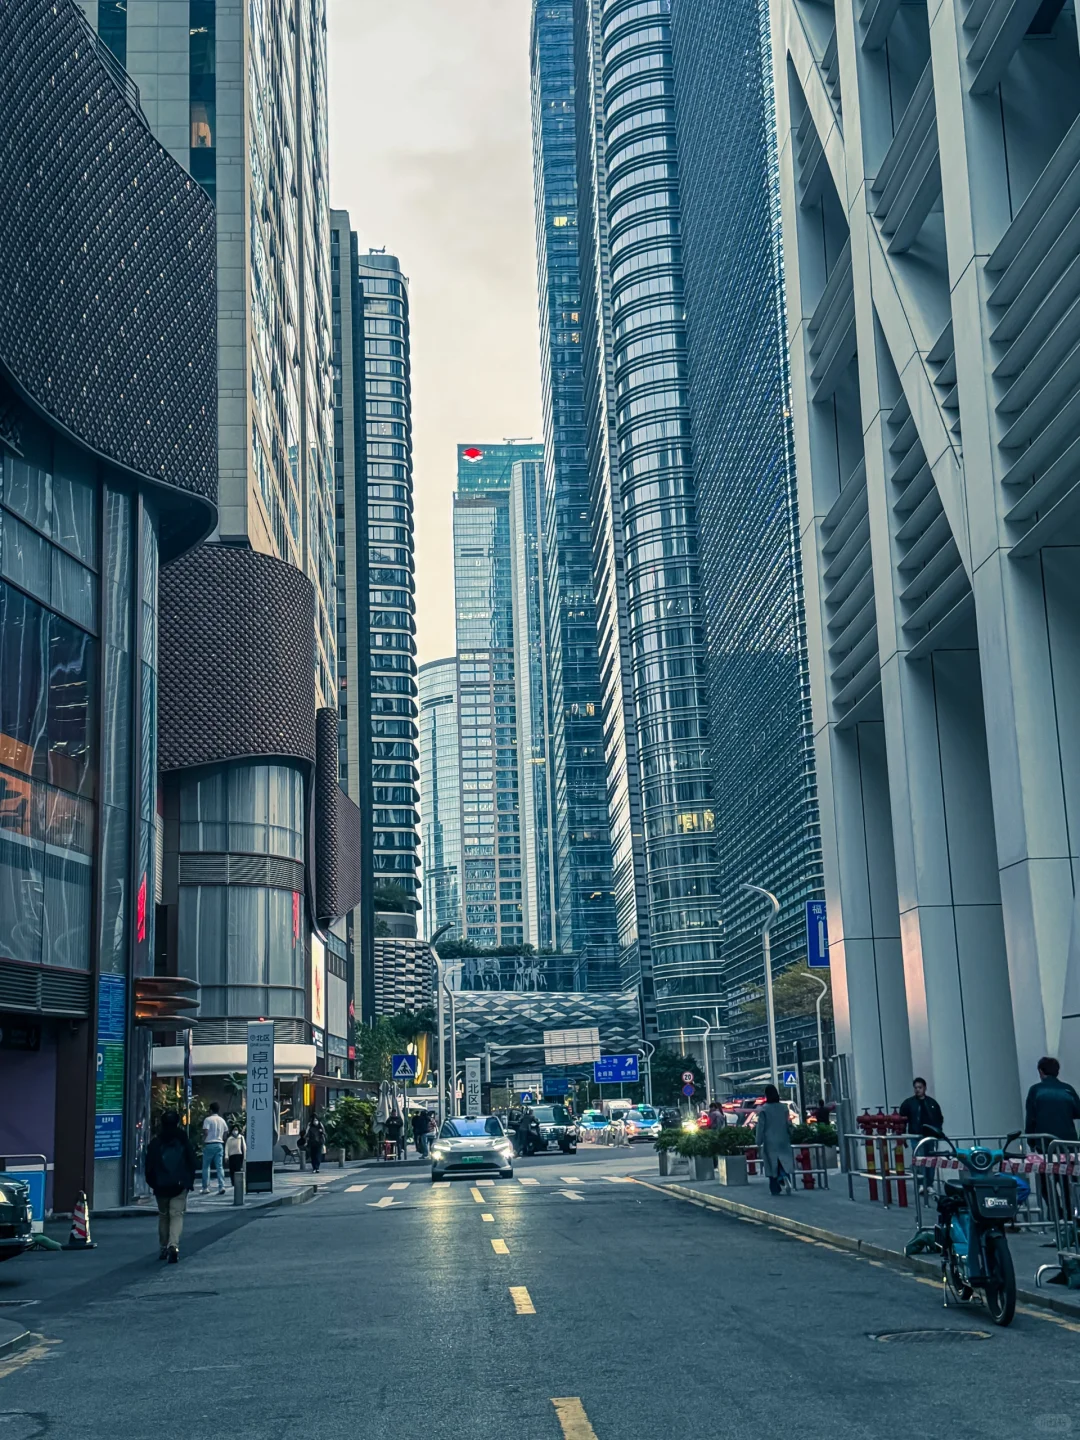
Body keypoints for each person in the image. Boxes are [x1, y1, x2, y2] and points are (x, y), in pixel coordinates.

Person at [145, 1110, 196, 1263]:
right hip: (179, 1184)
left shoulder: (156, 1142)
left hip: (161, 1185)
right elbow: (192, 1161)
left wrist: (153, 1183)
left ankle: (163, 1247)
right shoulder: (183, 1139)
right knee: (176, 1214)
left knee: (163, 1215)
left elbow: (149, 1166)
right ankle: (173, 1245)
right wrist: (189, 1181)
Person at [899, 1078, 944, 1195]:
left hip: (929, 1136)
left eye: (920, 1087)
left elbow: (939, 1119)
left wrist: (938, 1132)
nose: (917, 1090)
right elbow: (902, 1120)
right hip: (916, 1136)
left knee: (930, 1160)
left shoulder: (932, 1103)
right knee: (920, 1160)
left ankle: (929, 1184)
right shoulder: (908, 1103)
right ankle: (921, 1184)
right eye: (916, 1088)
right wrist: (902, 1134)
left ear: (925, 1088)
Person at [1024, 1057, 1080, 1144]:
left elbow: (1030, 1120)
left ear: (1040, 1071)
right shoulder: (1068, 1089)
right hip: (1069, 1142)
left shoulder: (1035, 1090)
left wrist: (1031, 1141)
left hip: (1044, 1142)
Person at [756, 1084, 795, 1196]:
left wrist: (758, 1141)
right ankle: (785, 1177)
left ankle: (775, 1188)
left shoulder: (764, 1109)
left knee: (772, 1164)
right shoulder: (784, 1108)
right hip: (783, 1138)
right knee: (783, 1161)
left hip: (770, 1141)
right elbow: (788, 1123)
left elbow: (760, 1127)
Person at [201, 1101, 228, 1195]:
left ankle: (205, 1188)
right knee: (219, 1167)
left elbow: (206, 1132)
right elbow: (226, 1132)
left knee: (206, 1166)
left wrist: (203, 1140)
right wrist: (222, 1138)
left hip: (209, 1144)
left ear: (211, 1110)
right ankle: (222, 1186)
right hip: (219, 1144)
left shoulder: (208, 1120)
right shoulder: (222, 1120)